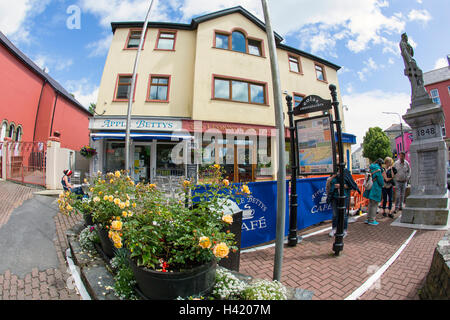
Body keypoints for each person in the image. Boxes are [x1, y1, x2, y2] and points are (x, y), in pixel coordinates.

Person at [326, 161, 360, 237]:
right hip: (334, 196)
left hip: (344, 196)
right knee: (335, 214)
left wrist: (341, 186)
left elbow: (350, 185)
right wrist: (333, 177)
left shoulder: (346, 173)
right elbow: (329, 183)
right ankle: (334, 229)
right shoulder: (334, 173)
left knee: (344, 214)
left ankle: (344, 230)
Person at [363, 158, 384, 226]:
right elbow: (380, 181)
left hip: (370, 187)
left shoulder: (371, 168)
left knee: (370, 204)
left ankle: (368, 218)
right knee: (374, 204)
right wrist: (382, 184)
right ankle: (372, 220)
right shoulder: (378, 170)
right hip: (375, 188)